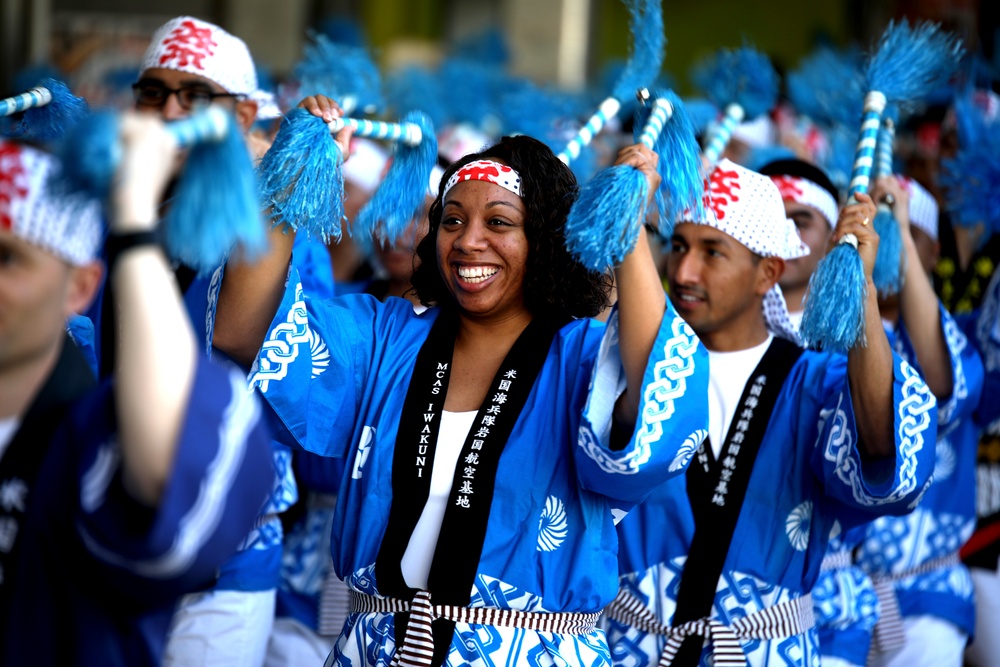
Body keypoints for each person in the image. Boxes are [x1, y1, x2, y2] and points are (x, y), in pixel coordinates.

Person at [213, 96, 711, 666]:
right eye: (453, 220)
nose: (468, 240)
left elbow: (656, 404)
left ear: (544, 242)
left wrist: (629, 233)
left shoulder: (580, 358)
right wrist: (288, 176)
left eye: (499, 222)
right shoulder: (387, 338)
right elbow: (241, 330)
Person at [605, 159, 938, 667]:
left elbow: (880, 450)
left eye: (713, 252)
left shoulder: (813, 379)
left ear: (768, 273)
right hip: (635, 644)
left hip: (761, 651)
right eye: (679, 247)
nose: (685, 271)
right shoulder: (638, 362)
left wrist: (862, 289)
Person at [0, 120, 273, 665]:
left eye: (7, 259)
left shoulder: (85, 440)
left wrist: (132, 216)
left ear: (79, 288)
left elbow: (174, 467)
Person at [128, 16, 296, 667]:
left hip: (221, 565)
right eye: (154, 91)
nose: (170, 111)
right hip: (102, 533)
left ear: (247, 112)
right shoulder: (105, 205)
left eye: (196, 95)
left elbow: (242, 343)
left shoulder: (276, 230)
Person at [844, 175, 983, 667]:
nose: (885, 248)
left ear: (931, 253)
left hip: (929, 592)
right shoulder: (830, 335)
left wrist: (898, 227)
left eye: (907, 237)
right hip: (839, 597)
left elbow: (946, 385)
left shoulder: (951, 335)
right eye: (875, 235)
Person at [758, 158, 840, 329]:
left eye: (800, 224)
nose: (783, 235)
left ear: (831, 238)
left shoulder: (852, 342)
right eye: (769, 219)